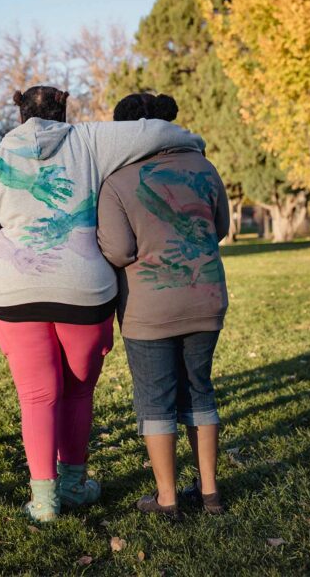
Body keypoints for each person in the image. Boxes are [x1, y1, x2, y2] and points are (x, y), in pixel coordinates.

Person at [0, 86, 206, 522]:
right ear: (64, 107)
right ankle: (73, 484)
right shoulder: (90, 139)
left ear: (18, 113)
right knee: (77, 392)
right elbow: (152, 132)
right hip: (85, 293)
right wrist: (192, 142)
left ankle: (44, 500)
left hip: (15, 295)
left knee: (36, 396)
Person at [97, 92, 230, 520]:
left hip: (148, 306)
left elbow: (118, 251)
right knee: (200, 391)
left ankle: (167, 498)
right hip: (206, 297)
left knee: (156, 400)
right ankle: (210, 493)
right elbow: (221, 227)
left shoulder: (118, 180)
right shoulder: (203, 166)